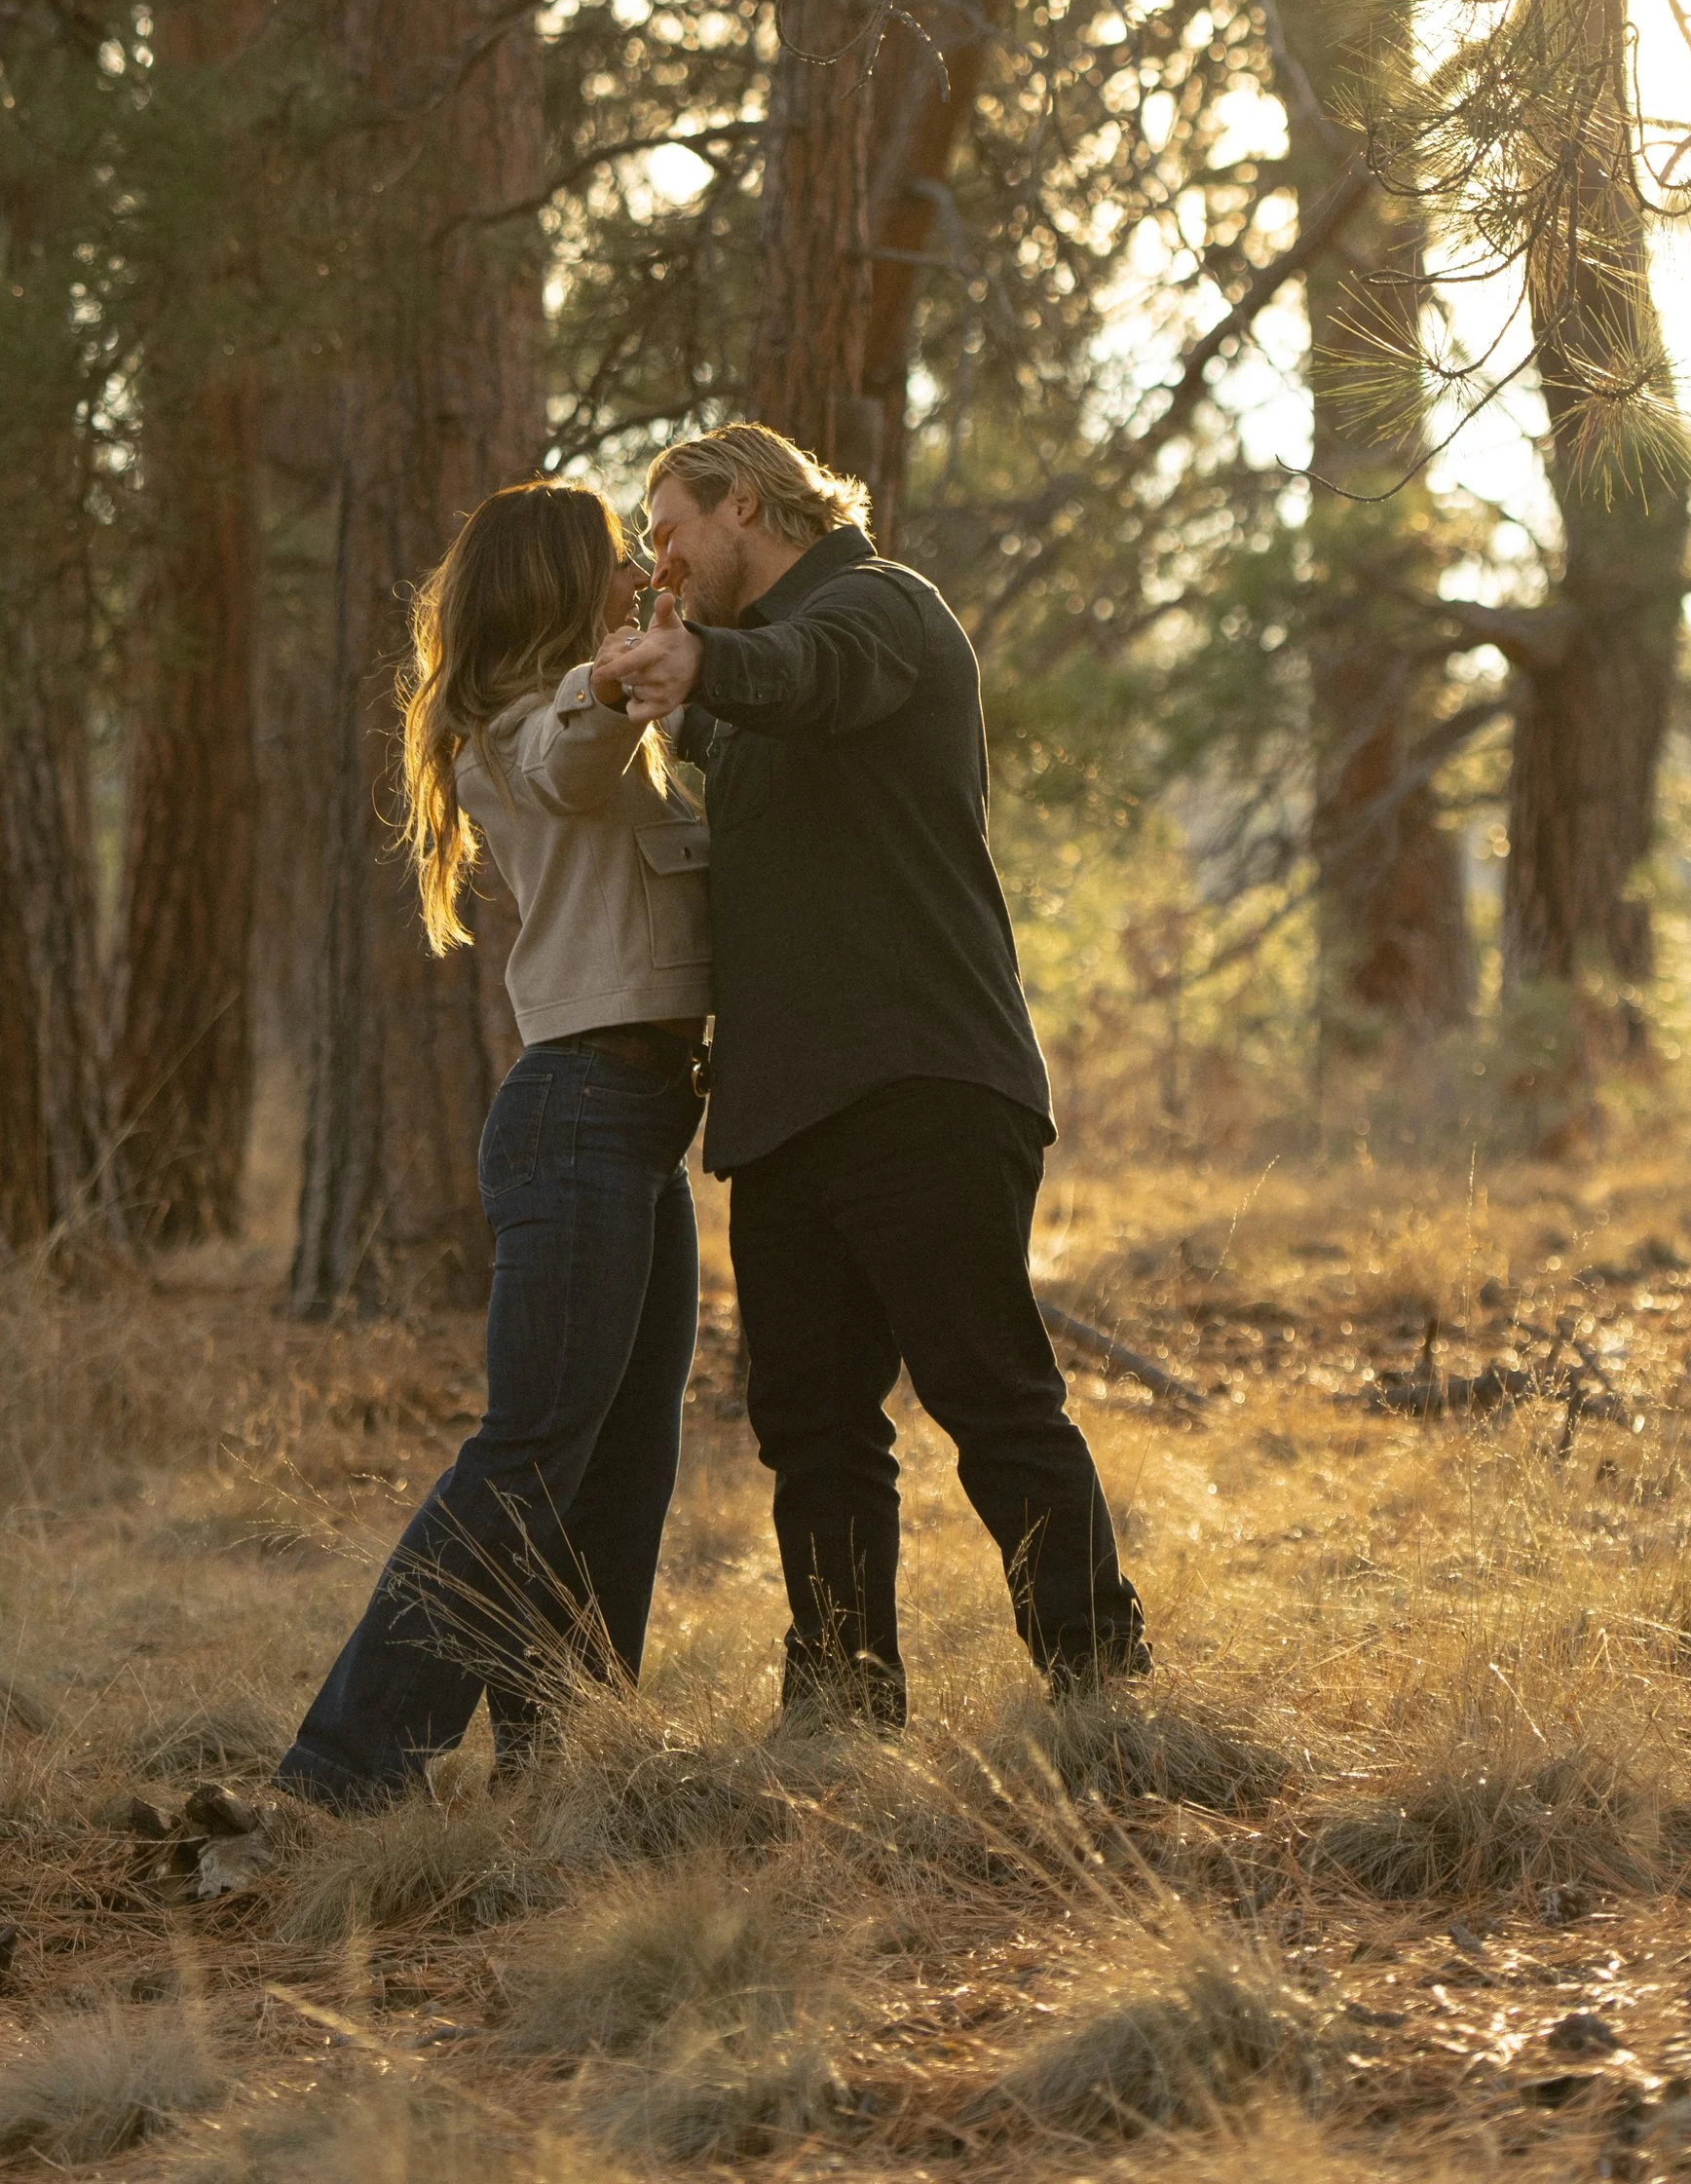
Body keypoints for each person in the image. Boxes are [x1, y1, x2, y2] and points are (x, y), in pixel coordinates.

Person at [597, 422, 1147, 1724]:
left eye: (669, 529)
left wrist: (701, 661)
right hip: (783, 1115)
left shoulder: (881, 609)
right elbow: (736, 716)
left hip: (923, 1086)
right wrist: (651, 682)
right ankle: (840, 1709)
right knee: (810, 1428)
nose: (659, 562)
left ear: (746, 501)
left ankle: (1101, 1692)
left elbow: (809, 671)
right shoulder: (740, 686)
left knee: (989, 1395)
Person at [278, 479, 711, 1812]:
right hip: (578, 1113)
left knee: (621, 1462)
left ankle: (562, 1762)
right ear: (557, 583)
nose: (635, 571)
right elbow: (566, 754)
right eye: (614, 557)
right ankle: (344, 1770)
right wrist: (617, 672)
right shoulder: (522, 732)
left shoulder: (617, 731)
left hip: (641, 1122)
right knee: (528, 1451)